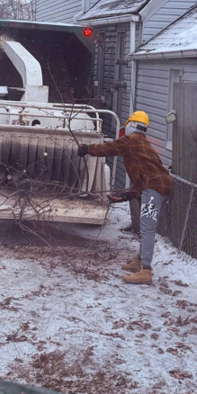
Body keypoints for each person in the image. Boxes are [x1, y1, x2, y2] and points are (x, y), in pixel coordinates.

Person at [78, 111, 173, 285]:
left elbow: (110, 148)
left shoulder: (133, 140)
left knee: (147, 228)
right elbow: (142, 175)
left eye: (126, 125)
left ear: (131, 125)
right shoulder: (142, 143)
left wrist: (87, 149)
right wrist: (125, 196)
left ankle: (145, 270)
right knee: (146, 226)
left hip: (154, 187)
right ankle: (140, 260)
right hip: (154, 186)